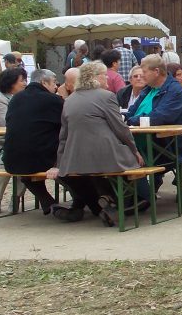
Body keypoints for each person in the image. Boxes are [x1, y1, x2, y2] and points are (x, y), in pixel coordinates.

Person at [58, 61, 144, 227]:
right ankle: (127, 201)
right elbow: (120, 128)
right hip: (107, 155)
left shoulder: (69, 100)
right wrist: (134, 150)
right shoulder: (106, 96)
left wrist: (61, 161)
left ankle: (106, 199)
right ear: (95, 77)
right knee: (139, 163)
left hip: (76, 158)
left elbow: (64, 135)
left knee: (91, 172)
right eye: (104, 75)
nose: (107, 78)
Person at [1, 69, 61, 218]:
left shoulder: (15, 99)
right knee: (70, 163)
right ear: (44, 82)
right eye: (54, 82)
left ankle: (48, 201)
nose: (56, 86)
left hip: (11, 160)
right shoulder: (53, 100)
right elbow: (68, 127)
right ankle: (85, 202)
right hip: (41, 160)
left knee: (27, 162)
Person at [0, 67, 28, 214]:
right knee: (3, 167)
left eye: (25, 79)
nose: (24, 83)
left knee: (26, 165)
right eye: (21, 80)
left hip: (21, 142)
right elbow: (7, 122)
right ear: (11, 83)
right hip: (0, 145)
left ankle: (16, 197)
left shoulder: (24, 97)